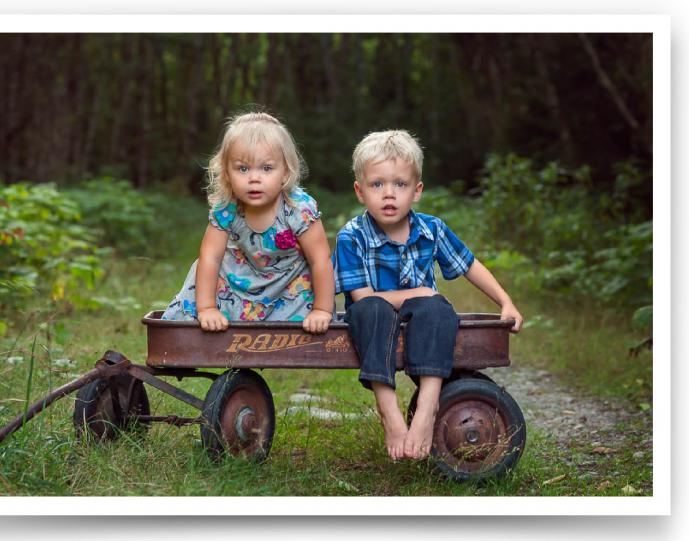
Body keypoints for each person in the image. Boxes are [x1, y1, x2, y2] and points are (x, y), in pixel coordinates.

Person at [332, 130, 523, 460]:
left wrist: (505, 301)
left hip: (423, 320)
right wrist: (414, 291)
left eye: (400, 184)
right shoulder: (352, 235)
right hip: (372, 319)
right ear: (360, 192)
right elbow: (362, 298)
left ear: (417, 191)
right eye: (377, 185)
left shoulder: (431, 229)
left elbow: (469, 265)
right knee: (373, 309)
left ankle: (428, 404)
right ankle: (389, 413)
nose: (389, 194)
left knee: (436, 307)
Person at [163, 111, 334, 334]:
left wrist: (322, 310)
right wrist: (206, 308)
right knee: (203, 266)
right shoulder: (227, 209)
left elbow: (320, 259)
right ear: (227, 173)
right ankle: (210, 316)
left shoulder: (297, 208)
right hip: (242, 280)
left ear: (285, 172)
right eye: (243, 169)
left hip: (287, 284)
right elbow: (211, 257)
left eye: (266, 168)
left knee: (309, 273)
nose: (254, 178)